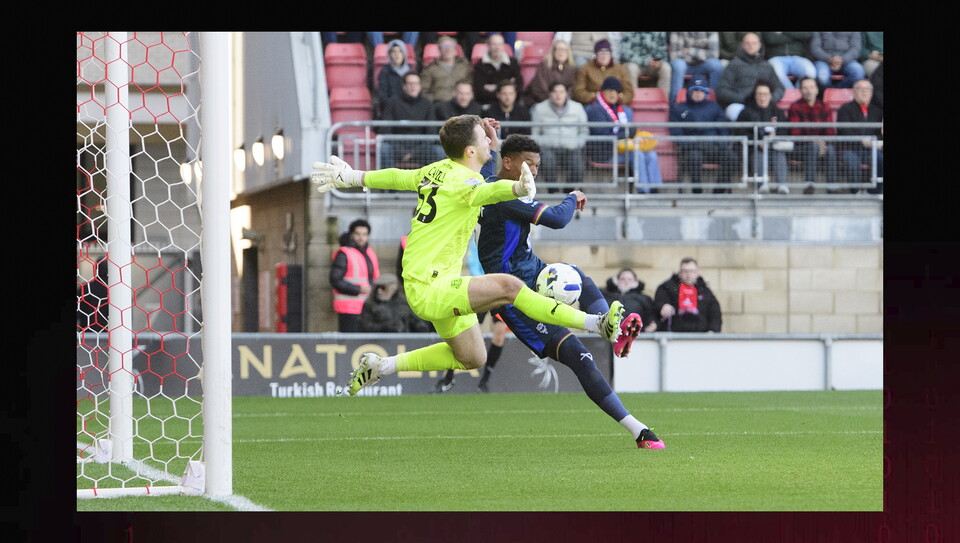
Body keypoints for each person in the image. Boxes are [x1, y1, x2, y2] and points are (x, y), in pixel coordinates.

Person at [311, 115, 635, 400]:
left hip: (431, 282)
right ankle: (596, 323)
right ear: (470, 150)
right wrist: (517, 190)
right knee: (509, 287)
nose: (490, 143)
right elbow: (486, 191)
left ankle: (382, 366)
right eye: (484, 140)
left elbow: (397, 176)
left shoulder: (437, 170)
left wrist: (353, 177)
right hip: (432, 286)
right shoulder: (467, 182)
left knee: (472, 357)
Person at [473, 133, 662, 449]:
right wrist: (573, 196)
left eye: (537, 165)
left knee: (579, 277)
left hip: (532, 270)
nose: (533, 171)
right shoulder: (504, 196)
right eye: (528, 164)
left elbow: (489, 166)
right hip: (513, 294)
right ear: (509, 163)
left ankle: (614, 333)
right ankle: (638, 430)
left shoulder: (490, 180)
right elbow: (559, 219)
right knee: (580, 356)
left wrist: (493, 142)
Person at [435, 237, 508, 393]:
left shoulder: (505, 235)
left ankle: (484, 381)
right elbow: (473, 260)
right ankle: (449, 377)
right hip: (480, 288)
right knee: (466, 333)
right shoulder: (478, 234)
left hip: (498, 290)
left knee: (500, 333)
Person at [584, 77, 662, 193]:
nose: (612, 94)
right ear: (603, 92)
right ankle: (643, 190)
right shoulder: (596, 110)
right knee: (637, 154)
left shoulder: (624, 110)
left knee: (651, 154)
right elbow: (603, 135)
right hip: (606, 152)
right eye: (609, 91)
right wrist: (627, 133)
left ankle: (655, 189)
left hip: (623, 148)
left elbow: (629, 133)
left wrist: (635, 136)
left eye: (615, 91)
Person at [668, 80, 739, 194]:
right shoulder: (678, 108)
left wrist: (723, 143)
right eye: (695, 90)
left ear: (706, 93)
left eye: (701, 90)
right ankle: (697, 190)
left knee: (732, 157)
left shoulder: (714, 107)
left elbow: (723, 129)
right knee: (693, 157)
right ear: (689, 92)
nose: (698, 93)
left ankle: (719, 190)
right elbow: (676, 132)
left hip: (713, 145)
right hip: (692, 146)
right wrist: (686, 144)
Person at [530, 81, 588, 193]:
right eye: (555, 92)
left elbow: (584, 130)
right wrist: (542, 143)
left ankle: (568, 190)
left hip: (572, 147)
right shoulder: (539, 108)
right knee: (547, 161)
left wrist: (578, 143)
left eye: (561, 92)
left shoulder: (577, 107)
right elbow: (535, 132)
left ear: (566, 93)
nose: (558, 95)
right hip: (549, 147)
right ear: (550, 94)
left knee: (578, 166)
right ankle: (553, 190)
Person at [734, 79, 789, 193]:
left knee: (779, 153)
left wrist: (775, 136)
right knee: (759, 153)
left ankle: (782, 185)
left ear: (770, 95)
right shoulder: (746, 112)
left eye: (765, 94)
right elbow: (740, 132)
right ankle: (762, 185)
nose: (762, 97)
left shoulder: (777, 112)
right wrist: (758, 141)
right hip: (754, 149)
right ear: (755, 95)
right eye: (759, 94)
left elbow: (784, 131)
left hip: (774, 147)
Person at [379, 72, 444, 169]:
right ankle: (387, 183)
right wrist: (401, 152)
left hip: (421, 150)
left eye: (416, 84)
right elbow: (386, 131)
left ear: (420, 86)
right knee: (384, 149)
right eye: (410, 84)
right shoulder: (392, 102)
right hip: (397, 148)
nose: (413, 87)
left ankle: (431, 183)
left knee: (438, 151)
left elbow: (431, 132)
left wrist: (413, 153)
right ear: (404, 86)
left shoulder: (428, 104)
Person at [716, 32, 784, 121]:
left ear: (760, 45)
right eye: (747, 43)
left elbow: (779, 88)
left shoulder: (767, 66)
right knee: (735, 111)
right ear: (742, 45)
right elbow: (722, 90)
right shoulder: (733, 65)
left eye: (754, 43)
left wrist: (769, 98)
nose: (751, 46)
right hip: (741, 104)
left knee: (778, 114)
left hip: (764, 104)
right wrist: (744, 99)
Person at [787, 76, 839, 194]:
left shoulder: (825, 106)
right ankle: (809, 184)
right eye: (805, 88)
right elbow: (795, 133)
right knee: (812, 147)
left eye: (811, 87)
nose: (808, 91)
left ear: (816, 90)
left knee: (830, 149)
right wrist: (815, 141)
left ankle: (832, 186)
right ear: (800, 90)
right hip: (800, 147)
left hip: (822, 145)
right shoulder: (795, 106)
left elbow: (830, 132)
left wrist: (822, 143)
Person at [330, 219, 380, 333]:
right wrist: (359, 289)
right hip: (348, 308)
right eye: (357, 234)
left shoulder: (370, 253)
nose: (361, 237)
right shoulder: (344, 253)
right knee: (350, 343)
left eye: (364, 234)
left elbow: (374, 278)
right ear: (351, 235)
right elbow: (335, 280)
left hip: (367, 306)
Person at [836, 79, 883, 194]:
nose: (864, 92)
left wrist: (877, 142)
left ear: (872, 93)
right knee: (852, 162)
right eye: (860, 89)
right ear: (853, 92)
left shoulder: (877, 111)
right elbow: (844, 130)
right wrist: (862, 141)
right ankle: (855, 191)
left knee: (880, 159)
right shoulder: (845, 109)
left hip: (871, 149)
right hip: (850, 148)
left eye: (867, 89)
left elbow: (878, 133)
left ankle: (874, 192)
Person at [654, 257, 722, 333]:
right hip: (674, 334)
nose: (688, 274)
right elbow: (658, 302)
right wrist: (663, 306)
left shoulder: (705, 291)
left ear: (697, 273)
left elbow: (715, 313)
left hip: (700, 335)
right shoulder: (668, 287)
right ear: (679, 272)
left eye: (691, 271)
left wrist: (713, 330)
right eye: (685, 271)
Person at [358, 273, 433, 334]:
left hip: (404, 342)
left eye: (383, 287)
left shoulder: (404, 302)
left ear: (393, 288)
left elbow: (417, 322)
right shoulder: (370, 303)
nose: (379, 291)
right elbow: (364, 327)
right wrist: (385, 327)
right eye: (377, 288)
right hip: (380, 343)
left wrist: (422, 330)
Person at [572, 39, 634, 106]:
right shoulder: (585, 69)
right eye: (601, 53)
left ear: (611, 54)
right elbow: (578, 91)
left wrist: (618, 99)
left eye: (607, 53)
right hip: (594, 104)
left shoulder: (620, 69)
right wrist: (597, 98)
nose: (604, 56)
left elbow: (629, 91)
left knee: (628, 112)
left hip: (616, 104)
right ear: (596, 54)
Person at [667, 32, 723, 104]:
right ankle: (675, 103)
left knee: (716, 65)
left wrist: (691, 51)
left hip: (703, 65)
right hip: (684, 66)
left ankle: (713, 103)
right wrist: (702, 55)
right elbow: (674, 56)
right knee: (678, 65)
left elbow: (714, 54)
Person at [472, 33, 523, 109]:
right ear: (488, 46)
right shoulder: (480, 65)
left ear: (504, 46)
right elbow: (479, 92)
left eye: (500, 44)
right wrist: (506, 89)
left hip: (510, 105)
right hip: (487, 105)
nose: (497, 48)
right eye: (494, 44)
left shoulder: (513, 63)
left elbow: (519, 89)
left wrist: (495, 87)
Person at [420, 35, 474, 104]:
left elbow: (471, 86)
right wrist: (434, 100)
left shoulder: (465, 66)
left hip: (462, 104)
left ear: (455, 49)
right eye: (444, 47)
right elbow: (423, 91)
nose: (448, 49)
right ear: (439, 50)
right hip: (439, 104)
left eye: (451, 46)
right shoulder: (430, 69)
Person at [523, 39, 577, 107]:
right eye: (558, 49)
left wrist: (562, 101)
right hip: (541, 102)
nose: (561, 52)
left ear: (568, 52)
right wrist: (553, 102)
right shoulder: (544, 65)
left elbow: (572, 89)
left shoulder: (571, 69)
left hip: (563, 104)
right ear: (553, 51)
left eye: (564, 50)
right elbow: (539, 87)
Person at [603, 268, 657, 333]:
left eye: (630, 279)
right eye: (623, 279)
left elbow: (651, 315)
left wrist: (651, 326)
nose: (626, 281)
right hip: (610, 335)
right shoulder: (607, 296)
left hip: (636, 336)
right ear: (617, 281)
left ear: (635, 281)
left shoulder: (644, 298)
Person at [619, 31, 671, 100]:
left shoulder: (660, 33)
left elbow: (662, 51)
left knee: (666, 67)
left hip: (653, 65)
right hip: (636, 64)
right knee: (631, 68)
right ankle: (632, 101)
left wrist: (659, 61)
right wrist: (646, 61)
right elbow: (625, 52)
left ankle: (663, 101)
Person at [376, 39, 414, 119]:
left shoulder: (410, 72)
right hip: (391, 111)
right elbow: (382, 95)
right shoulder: (384, 72)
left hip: (409, 110)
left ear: (404, 54)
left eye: (400, 51)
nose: (397, 54)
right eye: (394, 52)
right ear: (389, 54)